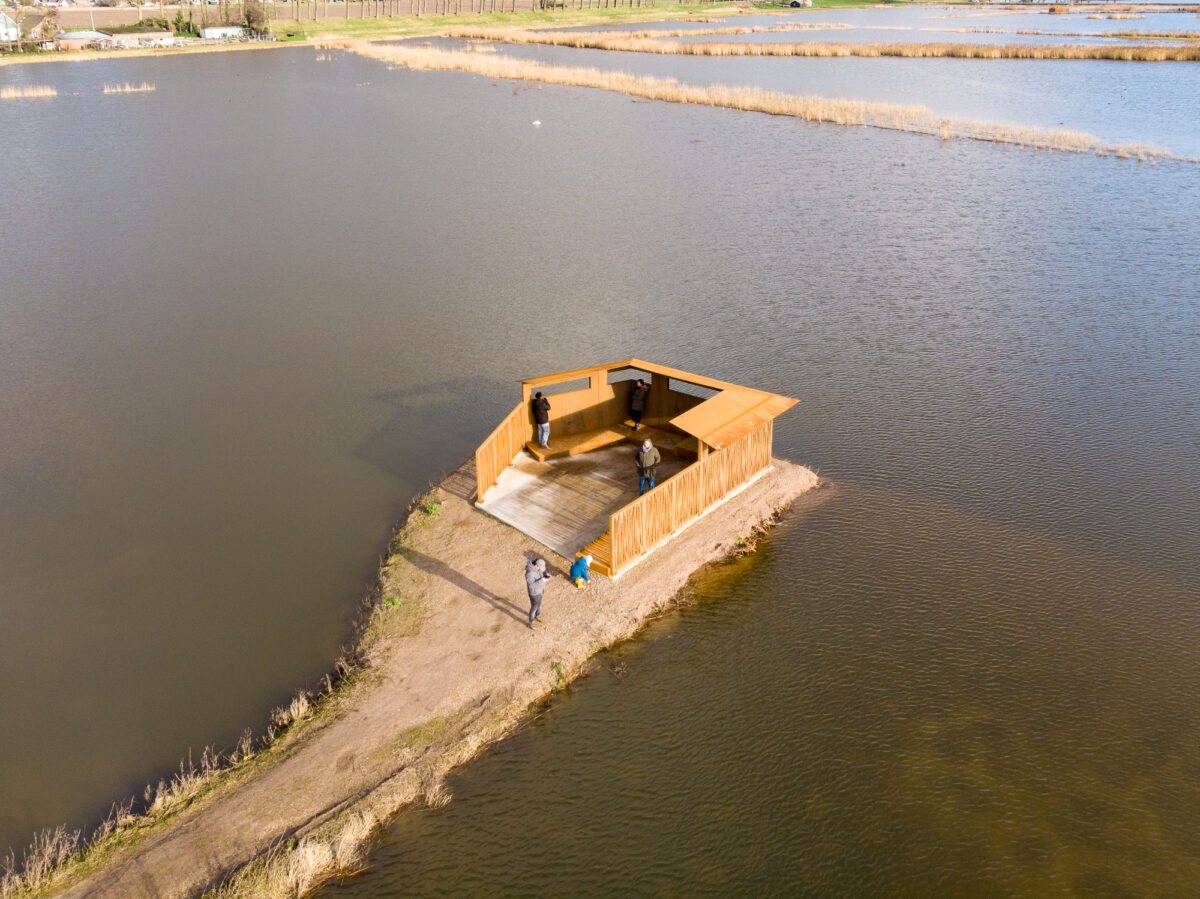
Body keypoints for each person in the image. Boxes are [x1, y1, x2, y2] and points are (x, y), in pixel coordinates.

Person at [525, 557, 550, 627]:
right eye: (540, 568)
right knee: (534, 607)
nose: (541, 570)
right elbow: (531, 586)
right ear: (536, 566)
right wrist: (542, 580)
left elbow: (541, 572)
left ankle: (537, 615)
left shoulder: (538, 568)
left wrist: (545, 575)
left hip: (541, 590)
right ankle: (531, 622)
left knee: (540, 605)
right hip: (534, 594)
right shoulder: (529, 574)